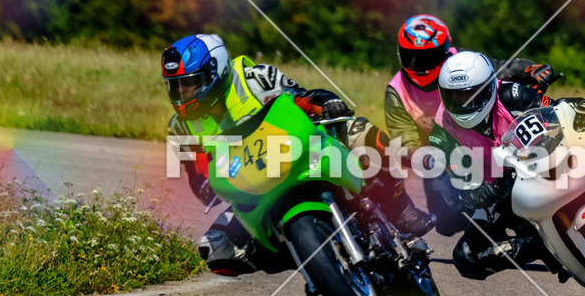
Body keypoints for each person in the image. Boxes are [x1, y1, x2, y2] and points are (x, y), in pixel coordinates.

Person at [163, 34, 435, 279]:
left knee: (361, 134)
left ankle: (399, 207)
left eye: (189, 84)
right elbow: (196, 173)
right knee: (214, 249)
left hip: (297, 148)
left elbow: (299, 98)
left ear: (217, 71)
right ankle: (295, 251)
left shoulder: (253, 78)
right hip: (250, 182)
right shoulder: (179, 126)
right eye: (175, 87)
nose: (182, 94)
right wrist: (207, 187)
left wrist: (326, 103)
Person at [427, 51, 585, 280]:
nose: (465, 103)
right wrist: (479, 193)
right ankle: (539, 247)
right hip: (500, 191)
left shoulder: (512, 94)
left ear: (489, 87)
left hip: (542, 160)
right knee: (466, 259)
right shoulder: (441, 133)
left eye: (471, 94)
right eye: (456, 96)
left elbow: (556, 107)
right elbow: (461, 181)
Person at [383, 14, 554, 234]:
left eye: (428, 58)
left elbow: (501, 68)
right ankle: (489, 229)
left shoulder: (463, 62)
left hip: (488, 137)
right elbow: (403, 138)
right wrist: (428, 156)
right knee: (448, 222)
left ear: (445, 50)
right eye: (411, 57)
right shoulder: (396, 92)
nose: (420, 67)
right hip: (444, 152)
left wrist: (531, 70)